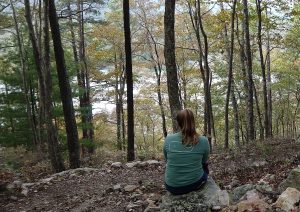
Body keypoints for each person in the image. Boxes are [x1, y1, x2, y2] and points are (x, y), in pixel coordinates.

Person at [163, 109, 210, 195]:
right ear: (193, 121)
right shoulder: (204, 140)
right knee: (205, 166)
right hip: (194, 184)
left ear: (178, 122)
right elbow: (204, 161)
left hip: (171, 186)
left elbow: (167, 159)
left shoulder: (168, 139)